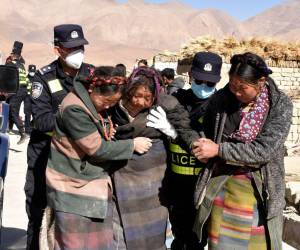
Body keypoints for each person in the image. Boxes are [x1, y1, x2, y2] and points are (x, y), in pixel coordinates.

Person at [192, 52, 293, 250]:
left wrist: (218, 150)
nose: (235, 91)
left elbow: (264, 151)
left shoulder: (280, 105)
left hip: (258, 191)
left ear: (261, 82)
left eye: (242, 88)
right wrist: (202, 145)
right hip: (222, 187)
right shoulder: (222, 99)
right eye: (232, 84)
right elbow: (206, 127)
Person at [44, 67, 152, 249]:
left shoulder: (92, 104)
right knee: (74, 244)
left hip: (89, 186)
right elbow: (97, 148)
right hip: (72, 187)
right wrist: (132, 145)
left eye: (113, 103)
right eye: (107, 101)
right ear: (92, 90)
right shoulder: (75, 109)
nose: (109, 107)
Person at [110, 66, 199, 250]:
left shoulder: (166, 103)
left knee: (152, 231)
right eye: (135, 95)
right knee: (118, 228)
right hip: (121, 172)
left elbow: (187, 131)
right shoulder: (115, 101)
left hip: (153, 178)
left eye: (146, 98)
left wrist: (175, 134)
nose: (139, 102)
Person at [24, 24, 93, 250]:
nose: (78, 52)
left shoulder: (92, 76)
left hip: (81, 162)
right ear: (57, 50)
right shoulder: (42, 78)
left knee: (79, 221)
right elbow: (42, 121)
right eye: (71, 48)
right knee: (38, 215)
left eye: (80, 47)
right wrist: (77, 122)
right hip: (45, 158)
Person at [150, 52, 222, 250]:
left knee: (199, 238)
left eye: (210, 84)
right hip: (175, 183)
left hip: (204, 184)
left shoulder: (220, 106)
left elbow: (208, 143)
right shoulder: (176, 100)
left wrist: (174, 133)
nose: (204, 87)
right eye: (199, 81)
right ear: (190, 75)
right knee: (180, 236)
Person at [5, 41, 31, 144]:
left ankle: (22, 133)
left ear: (13, 55)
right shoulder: (21, 65)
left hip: (17, 90)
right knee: (13, 109)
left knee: (12, 110)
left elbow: (6, 78)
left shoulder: (11, 64)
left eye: (11, 54)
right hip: (23, 91)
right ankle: (10, 128)